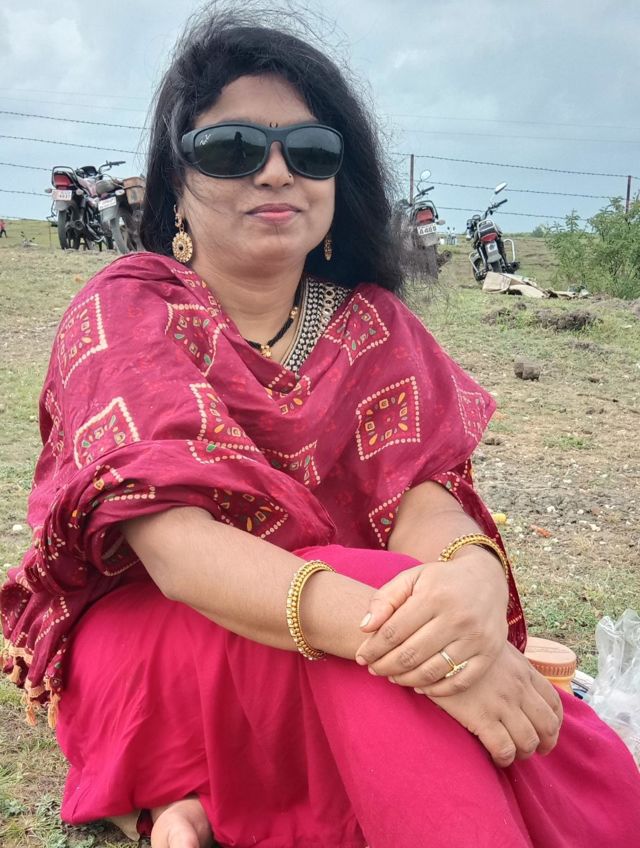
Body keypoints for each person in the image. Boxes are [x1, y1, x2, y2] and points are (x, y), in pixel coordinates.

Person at [2, 7, 639, 848]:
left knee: (401, 630)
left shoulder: (373, 324)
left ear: (339, 182)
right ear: (175, 184)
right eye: (232, 148)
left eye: (310, 151)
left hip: (344, 644)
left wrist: (472, 580)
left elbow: (421, 497)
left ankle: (209, 804)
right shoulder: (128, 308)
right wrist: (424, 648)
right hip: (159, 643)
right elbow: (177, 550)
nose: (276, 172)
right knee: (390, 628)